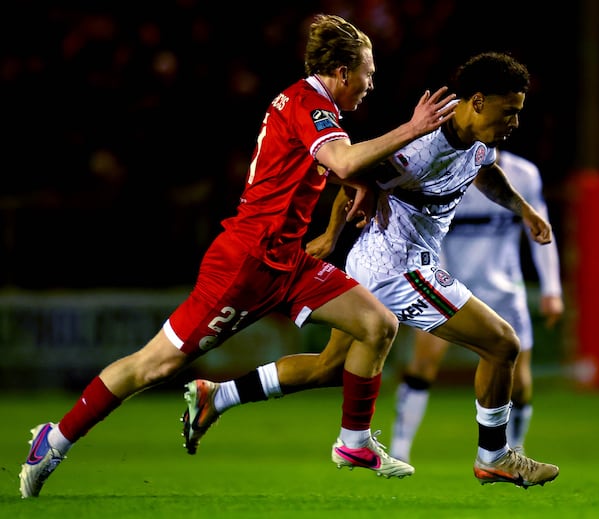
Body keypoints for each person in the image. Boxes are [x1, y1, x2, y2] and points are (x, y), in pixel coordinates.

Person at [19, 13, 458, 498]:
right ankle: (54, 439)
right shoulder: (309, 102)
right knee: (155, 366)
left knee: (378, 325)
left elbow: (325, 166)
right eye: (368, 74)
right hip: (245, 264)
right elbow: (343, 159)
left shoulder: (315, 108)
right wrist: (413, 128)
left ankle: (353, 442)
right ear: (341, 72)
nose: (371, 84)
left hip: (288, 260)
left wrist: (358, 187)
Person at [181, 52, 561, 489]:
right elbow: (352, 172)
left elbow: (485, 171)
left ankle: (218, 395)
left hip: (379, 263)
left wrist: (524, 209)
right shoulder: (423, 147)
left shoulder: (479, 138)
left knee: (329, 367)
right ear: (477, 101)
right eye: (509, 111)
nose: (515, 121)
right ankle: (494, 456)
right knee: (501, 344)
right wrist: (330, 233)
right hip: (398, 267)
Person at [390, 149, 564, 462]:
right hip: (449, 285)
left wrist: (552, 289)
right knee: (423, 362)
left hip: (504, 289)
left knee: (519, 380)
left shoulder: (524, 174)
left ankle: (515, 449)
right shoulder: (443, 170)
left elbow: (541, 232)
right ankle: (400, 448)